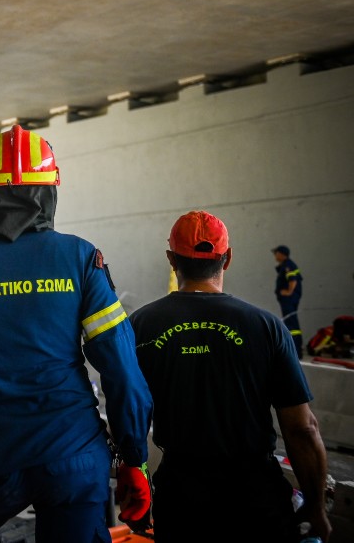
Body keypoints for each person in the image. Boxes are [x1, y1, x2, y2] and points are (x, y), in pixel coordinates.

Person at [0, 125, 152, 542]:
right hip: (71, 453)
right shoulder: (79, 257)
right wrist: (134, 459)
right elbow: (123, 373)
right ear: (48, 193)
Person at [130, 212, 331, 543]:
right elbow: (302, 428)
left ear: (171, 259)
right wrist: (316, 506)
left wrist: (134, 487)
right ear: (228, 259)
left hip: (180, 497)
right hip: (254, 496)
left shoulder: (139, 326)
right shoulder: (266, 327)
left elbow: (130, 416)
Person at [273, 245, 305, 358]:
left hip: (289, 299)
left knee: (291, 323)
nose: (275, 255)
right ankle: (296, 350)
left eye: (276, 253)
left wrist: (289, 292)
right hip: (288, 299)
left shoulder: (288, 265)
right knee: (291, 322)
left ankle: (296, 350)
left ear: (282, 254)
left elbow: (293, 280)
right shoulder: (285, 265)